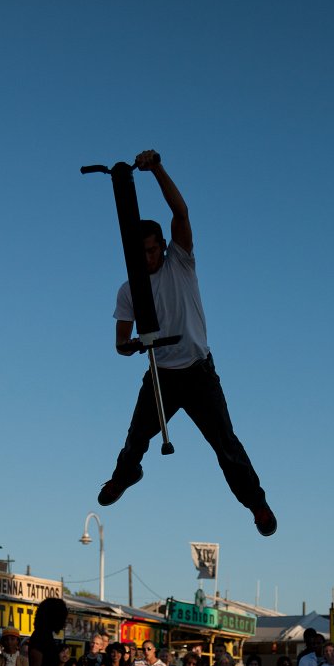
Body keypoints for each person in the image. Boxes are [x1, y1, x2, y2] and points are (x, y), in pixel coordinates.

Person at [96, 149, 277, 538]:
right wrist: (130, 347)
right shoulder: (129, 290)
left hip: (198, 373)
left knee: (226, 444)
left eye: (151, 249)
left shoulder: (181, 262)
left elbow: (181, 213)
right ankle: (125, 477)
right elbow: (120, 342)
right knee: (135, 438)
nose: (147, 257)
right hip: (161, 375)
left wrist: (156, 169)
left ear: (163, 245)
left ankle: (257, 504)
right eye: (139, 252)